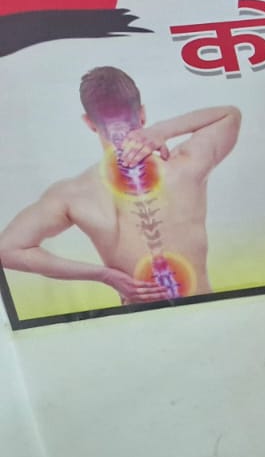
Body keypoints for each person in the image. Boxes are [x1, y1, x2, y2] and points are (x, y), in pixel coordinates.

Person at [0, 66, 240, 305]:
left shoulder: (73, 194)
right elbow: (229, 115)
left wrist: (104, 275)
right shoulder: (185, 166)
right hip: (205, 312)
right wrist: (162, 130)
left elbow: (7, 250)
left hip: (137, 322)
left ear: (89, 122)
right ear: (142, 114)